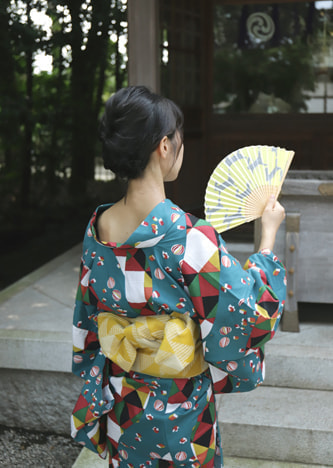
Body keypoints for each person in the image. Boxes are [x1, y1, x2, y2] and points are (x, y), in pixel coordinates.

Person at [71, 86, 286, 468]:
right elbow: (247, 315)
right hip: (182, 410)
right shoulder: (186, 237)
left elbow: (88, 317)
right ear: (164, 147)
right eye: (178, 137)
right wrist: (267, 238)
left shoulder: (97, 228)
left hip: (124, 399)